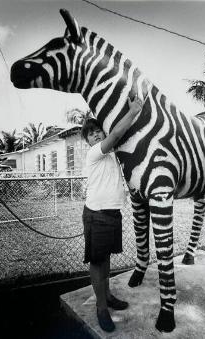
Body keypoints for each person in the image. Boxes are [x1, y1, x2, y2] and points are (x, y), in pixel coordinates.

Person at [81, 95, 143, 332]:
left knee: (105, 260)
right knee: (97, 263)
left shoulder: (112, 155)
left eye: (98, 131)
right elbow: (116, 133)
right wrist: (135, 109)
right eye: (91, 134)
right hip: (97, 214)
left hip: (111, 213)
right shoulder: (95, 152)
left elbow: (117, 136)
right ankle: (100, 308)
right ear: (88, 141)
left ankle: (107, 296)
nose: (96, 135)